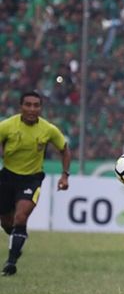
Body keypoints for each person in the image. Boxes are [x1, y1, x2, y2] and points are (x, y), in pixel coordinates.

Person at [0, 91, 71, 276]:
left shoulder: (48, 129)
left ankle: (11, 262)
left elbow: (64, 149)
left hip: (32, 178)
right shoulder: (7, 126)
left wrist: (65, 175)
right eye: (28, 105)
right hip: (7, 177)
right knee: (7, 223)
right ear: (21, 106)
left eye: (36, 105)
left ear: (41, 108)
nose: (32, 109)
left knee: (21, 217)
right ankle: (18, 238)